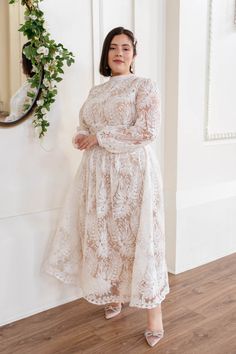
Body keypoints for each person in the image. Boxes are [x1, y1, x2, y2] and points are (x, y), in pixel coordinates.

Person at [42, 26, 170, 348]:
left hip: (132, 174)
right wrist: (82, 135)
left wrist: (99, 137)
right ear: (106, 54)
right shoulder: (96, 92)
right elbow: (85, 124)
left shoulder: (144, 86)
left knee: (138, 237)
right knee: (106, 234)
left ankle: (154, 315)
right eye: (113, 47)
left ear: (134, 55)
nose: (119, 53)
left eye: (126, 48)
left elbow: (147, 131)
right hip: (97, 174)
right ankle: (114, 294)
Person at [4, 42, 36, 122]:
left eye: (23, 58)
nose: (20, 61)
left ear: (30, 61)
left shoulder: (35, 87)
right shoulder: (29, 83)